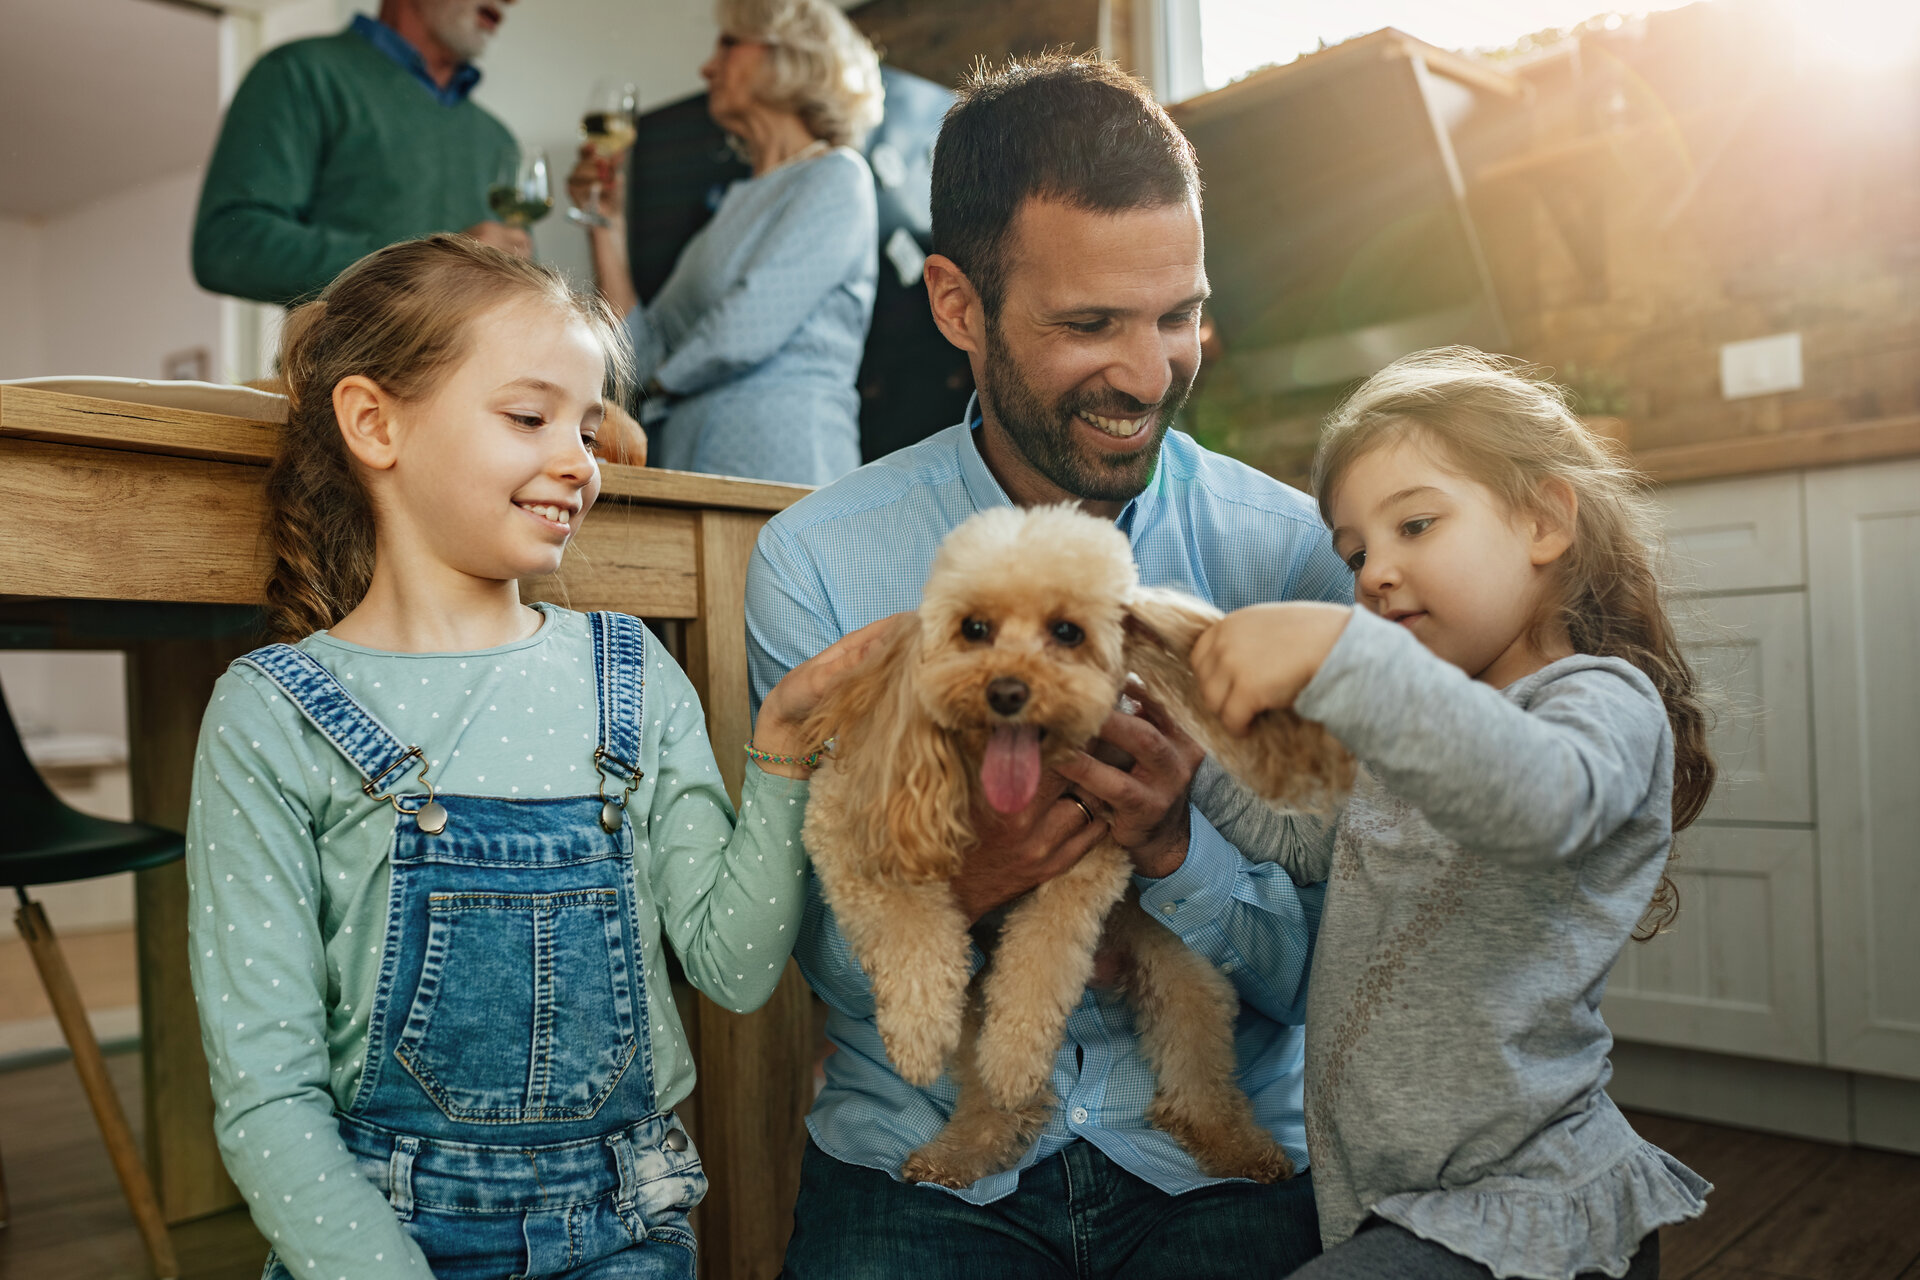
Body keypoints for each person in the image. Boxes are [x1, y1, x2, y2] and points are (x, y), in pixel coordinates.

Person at [745, 54, 1353, 1279]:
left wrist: (1183, 851)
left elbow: (1345, 957)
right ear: (958, 306)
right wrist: (966, 877)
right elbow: (816, 957)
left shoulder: (1287, 549)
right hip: (914, 1149)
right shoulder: (818, 558)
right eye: (1088, 325)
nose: (1145, 373)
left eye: (1176, 314)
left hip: (1216, 1155)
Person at [184, 234, 878, 1278]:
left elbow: (735, 974)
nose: (578, 460)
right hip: (376, 1240)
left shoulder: (628, 670)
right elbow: (268, 1098)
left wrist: (780, 755)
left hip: (625, 1229)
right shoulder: (272, 715)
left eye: (588, 427)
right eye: (528, 416)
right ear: (374, 422)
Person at [1187, 347, 1715, 1280]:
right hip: (1394, 1205)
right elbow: (1300, 838)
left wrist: (1345, 654)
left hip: (1532, 1208)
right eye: (1355, 554)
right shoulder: (1404, 726)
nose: (1374, 574)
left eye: (1415, 525)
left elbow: (1536, 799)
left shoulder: (1600, 702)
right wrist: (1181, 749)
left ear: (1545, 520)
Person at [572, 0, 883, 485]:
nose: (706, 67)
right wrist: (604, 224)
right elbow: (640, 352)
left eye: (729, 43)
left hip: (783, 468)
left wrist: (651, 390)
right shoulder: (730, 211)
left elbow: (746, 329)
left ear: (791, 58)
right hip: (687, 464)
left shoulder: (837, 176)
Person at [193, 0, 531, 308]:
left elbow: (524, 290)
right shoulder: (299, 72)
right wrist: (426, 266)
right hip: (340, 376)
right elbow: (226, 245)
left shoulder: (497, 138)